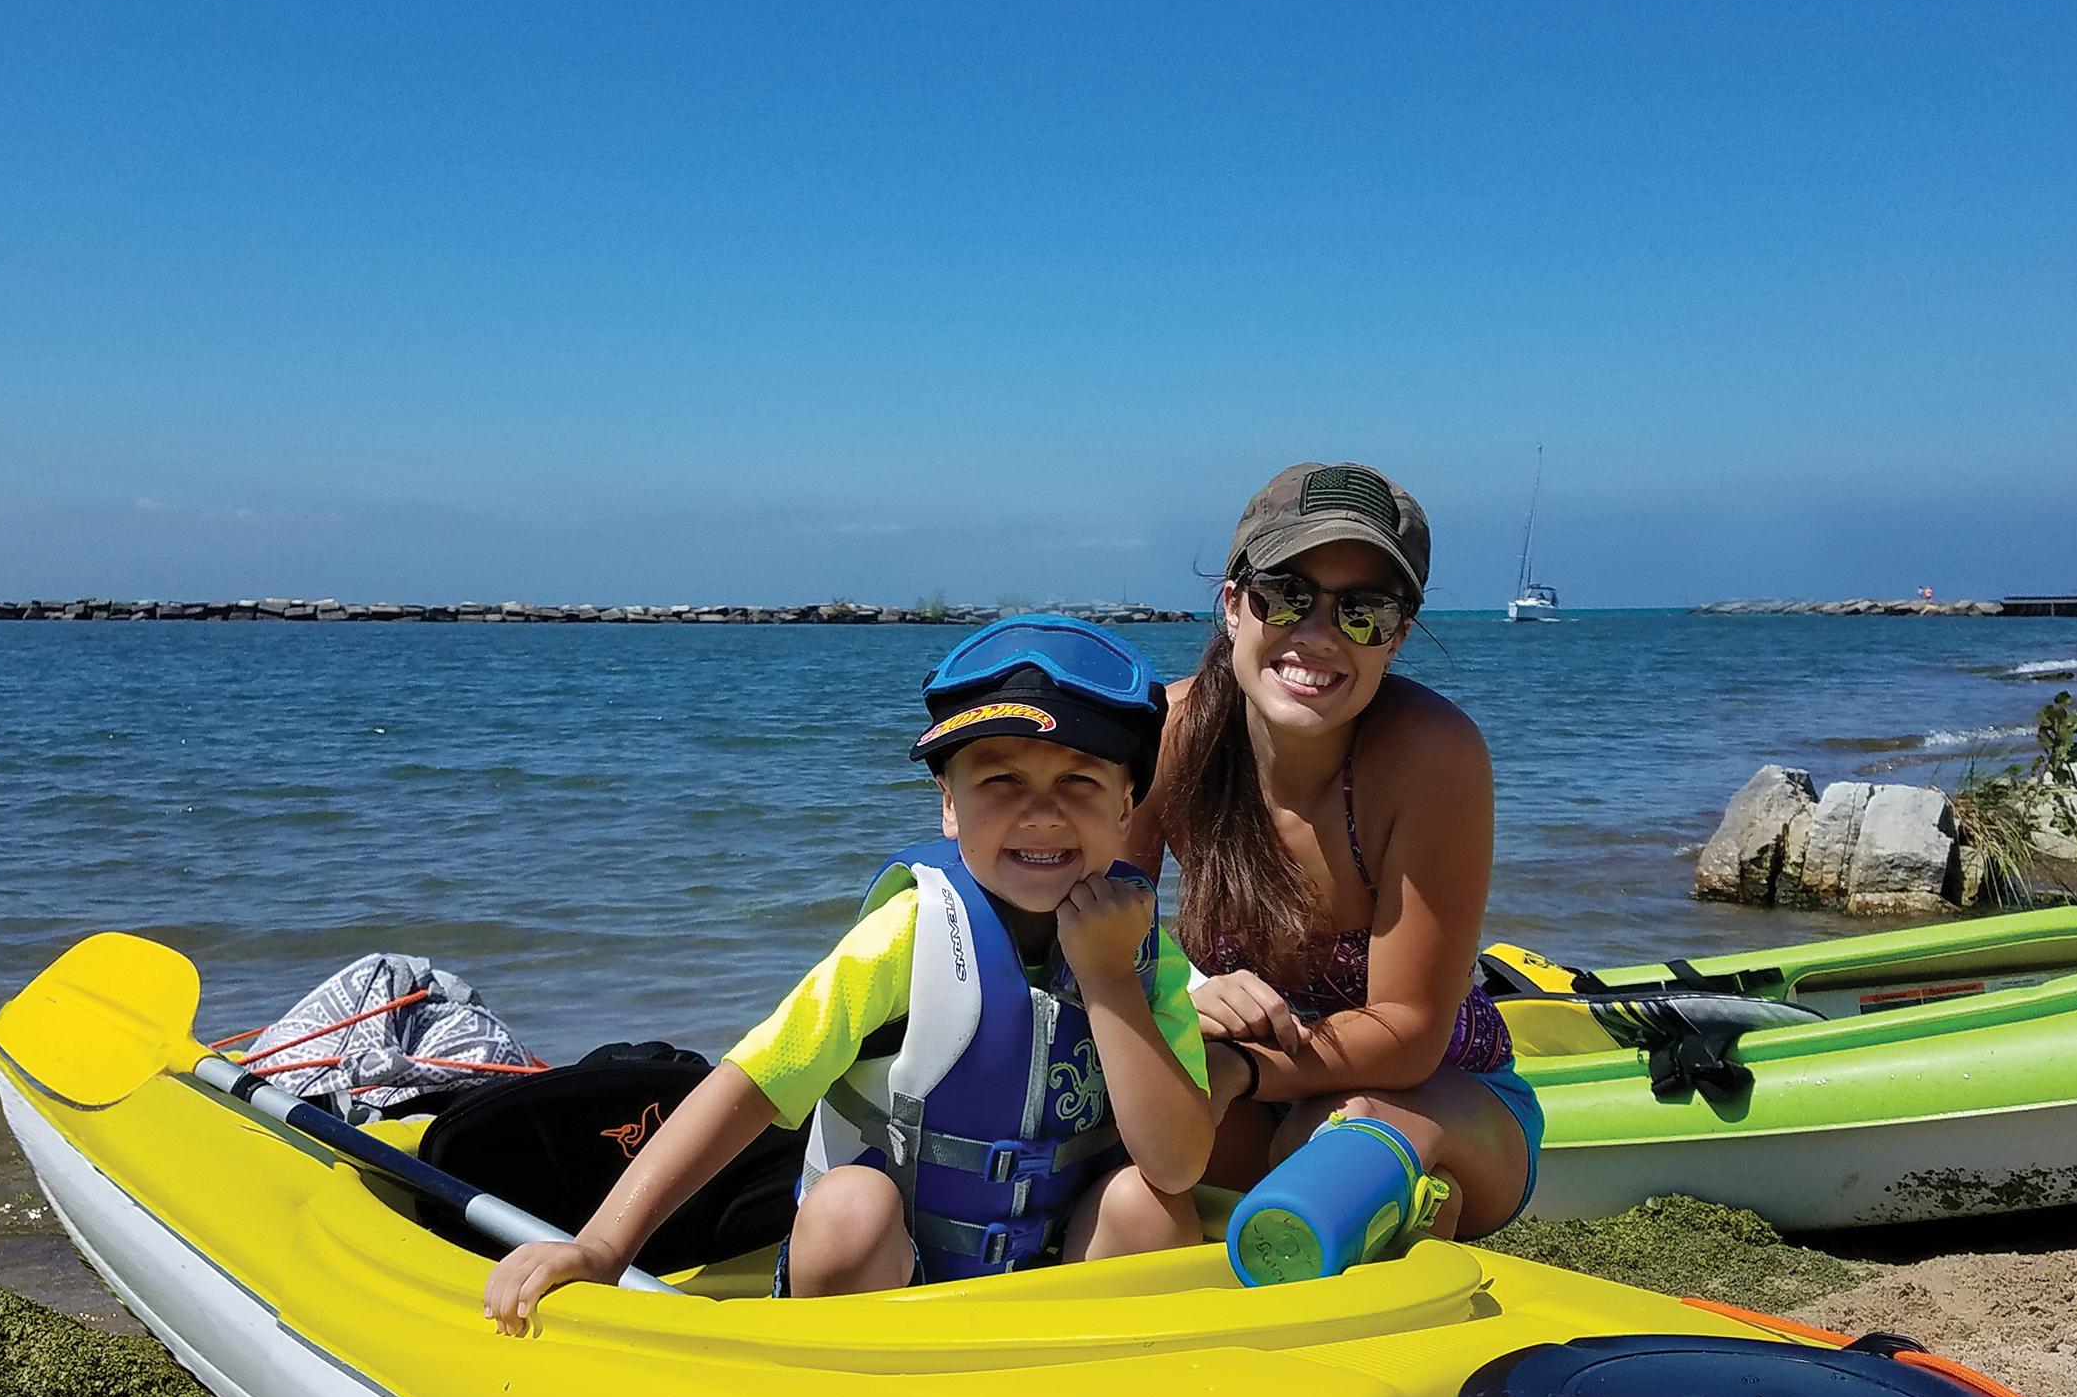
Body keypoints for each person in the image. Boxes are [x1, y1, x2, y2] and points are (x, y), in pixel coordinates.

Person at [484, 615, 1215, 1326]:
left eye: (1079, 782)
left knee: (1148, 1207)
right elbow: (752, 1082)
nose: (1042, 812)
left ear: (1127, 808)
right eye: (1001, 781)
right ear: (949, 806)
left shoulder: (1145, 954)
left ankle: (1096, 1384)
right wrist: (604, 1245)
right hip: (893, 1286)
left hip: (1053, 1284)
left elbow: (1177, 1166)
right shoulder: (907, 936)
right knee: (847, 1209)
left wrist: (1110, 982)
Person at [1134, 462, 1545, 1237]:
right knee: (1147, 1155)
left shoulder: (1431, 756)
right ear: (1233, 603)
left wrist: (1236, 1068)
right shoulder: (1169, 733)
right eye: (1286, 594)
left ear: (1396, 639)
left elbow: (1411, 1033)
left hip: (1434, 1096)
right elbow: (1101, 925)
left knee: (1323, 1145)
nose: (1319, 635)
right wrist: (1182, 993)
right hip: (1246, 1085)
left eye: (1364, 612)